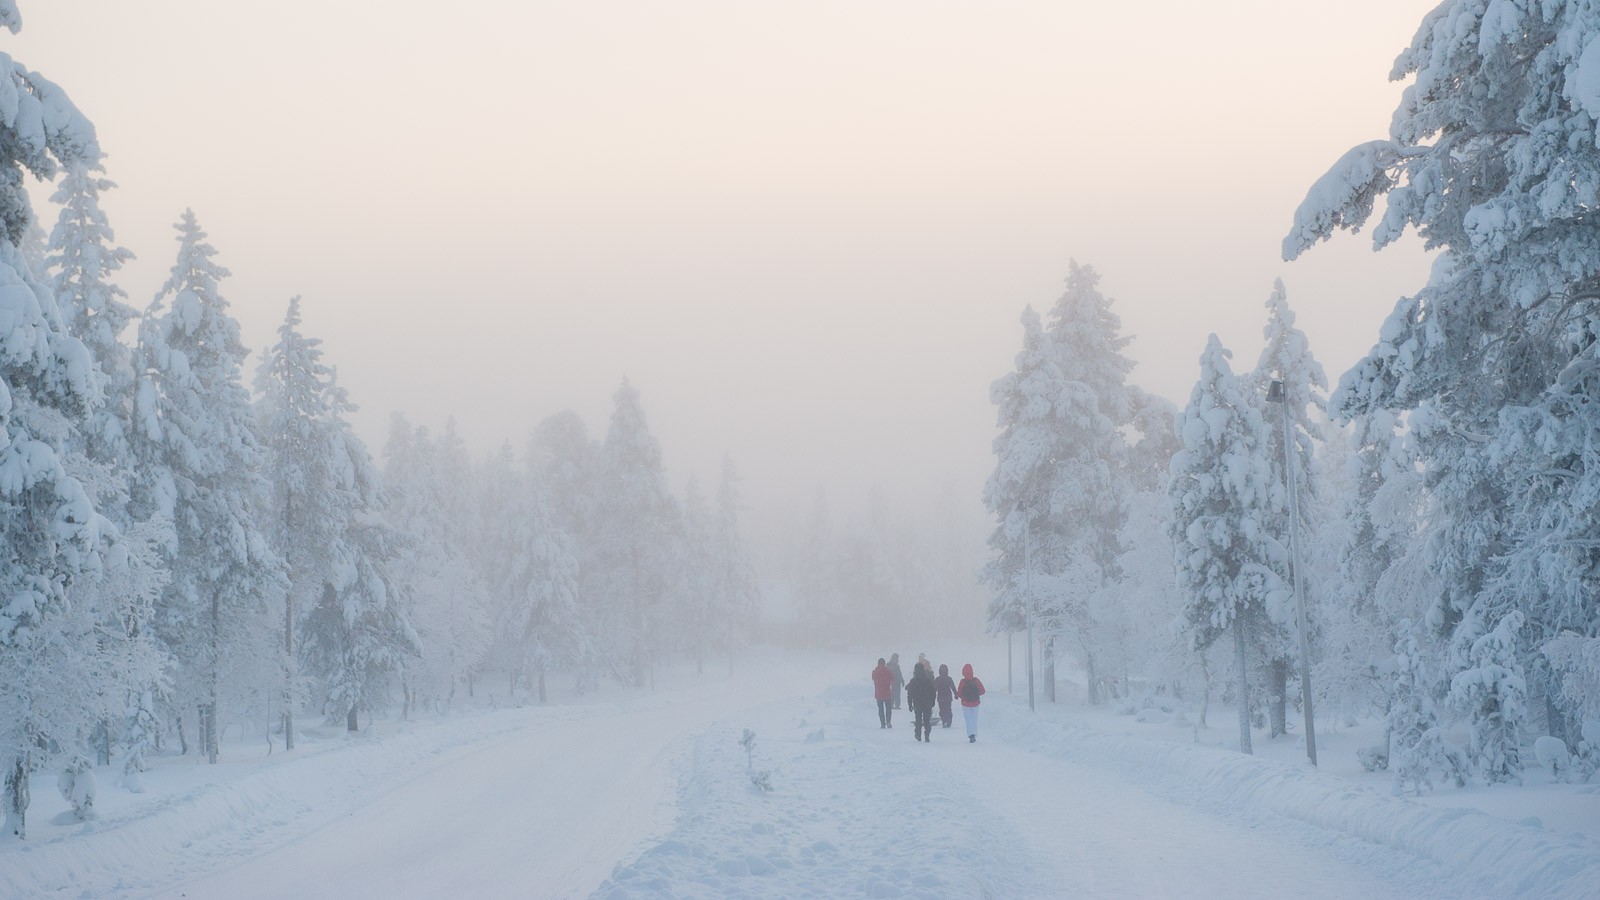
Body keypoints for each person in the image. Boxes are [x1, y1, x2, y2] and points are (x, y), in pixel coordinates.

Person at [906, 662, 936, 742]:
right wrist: (933, 701)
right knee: (927, 720)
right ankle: (927, 735)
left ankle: (918, 734)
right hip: (927, 703)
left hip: (917, 703)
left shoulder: (913, 681)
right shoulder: (928, 680)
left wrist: (910, 704)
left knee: (918, 719)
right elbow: (933, 692)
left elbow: (910, 693)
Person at [958, 663, 986, 743]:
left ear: (963, 672)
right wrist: (976, 694)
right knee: (974, 719)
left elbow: (959, 692)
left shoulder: (962, 682)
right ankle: (974, 734)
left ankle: (971, 735)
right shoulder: (976, 680)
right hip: (975, 702)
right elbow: (983, 691)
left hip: (965, 703)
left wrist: (963, 697)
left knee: (968, 719)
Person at [872, 657, 894, 728]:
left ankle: (882, 724)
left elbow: (874, 679)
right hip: (887, 693)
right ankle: (888, 721)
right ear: (884, 664)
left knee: (880, 709)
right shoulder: (888, 671)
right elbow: (892, 679)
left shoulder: (875, 672)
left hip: (878, 693)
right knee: (888, 709)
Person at [934, 663, 957, 729]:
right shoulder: (949, 679)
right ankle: (949, 721)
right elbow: (953, 687)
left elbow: (934, 689)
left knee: (942, 710)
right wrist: (956, 694)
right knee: (948, 710)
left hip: (940, 697)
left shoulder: (938, 679)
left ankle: (944, 721)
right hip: (948, 697)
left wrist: (931, 695)